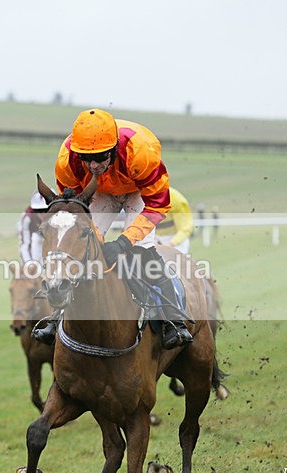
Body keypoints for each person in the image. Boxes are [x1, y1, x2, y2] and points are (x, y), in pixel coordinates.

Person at [31, 108, 193, 349]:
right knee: (80, 246)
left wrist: (124, 242)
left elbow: (158, 205)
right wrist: (91, 239)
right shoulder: (67, 160)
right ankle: (57, 318)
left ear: (115, 148)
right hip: (100, 192)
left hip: (138, 191)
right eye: (87, 159)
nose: (93, 165)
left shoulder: (140, 153)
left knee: (141, 251)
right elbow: (72, 209)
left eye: (100, 157)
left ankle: (174, 320)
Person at [156, 186, 194, 254]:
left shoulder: (176, 199)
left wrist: (171, 244)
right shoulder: (141, 196)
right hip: (154, 237)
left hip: (175, 238)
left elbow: (185, 228)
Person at [18, 191, 48, 265]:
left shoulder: (59, 215)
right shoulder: (28, 218)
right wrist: (29, 264)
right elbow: (25, 245)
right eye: (39, 210)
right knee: (36, 239)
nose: (43, 213)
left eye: (46, 210)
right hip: (36, 238)